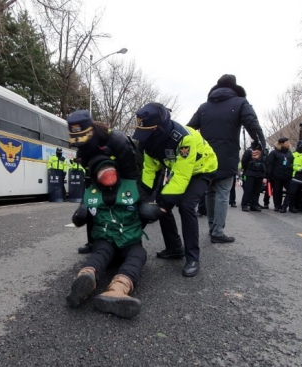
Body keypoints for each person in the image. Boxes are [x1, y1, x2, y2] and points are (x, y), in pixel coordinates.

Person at [132, 102, 218, 276]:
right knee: (160, 204)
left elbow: (182, 176)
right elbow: (149, 171)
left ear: (160, 127)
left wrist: (162, 205)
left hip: (201, 169)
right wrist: (144, 197)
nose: (144, 136)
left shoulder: (184, 138)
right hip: (177, 168)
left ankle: (192, 257)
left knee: (185, 205)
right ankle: (174, 248)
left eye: (148, 131)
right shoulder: (148, 141)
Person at [188, 74, 267, 243]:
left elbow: (189, 129)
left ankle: (211, 228)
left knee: (210, 191)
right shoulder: (240, 103)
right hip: (227, 155)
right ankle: (217, 232)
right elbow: (252, 124)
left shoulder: (203, 107)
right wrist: (261, 146)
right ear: (234, 87)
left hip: (205, 156)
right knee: (223, 193)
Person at [66, 155, 148, 318]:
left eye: (109, 168)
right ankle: (86, 279)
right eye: (102, 170)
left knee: (139, 254)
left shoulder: (133, 187)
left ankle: (118, 290)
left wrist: (149, 211)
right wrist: (79, 216)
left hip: (130, 241)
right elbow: (79, 221)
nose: (107, 172)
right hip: (105, 239)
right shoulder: (91, 193)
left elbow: (147, 208)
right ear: (96, 176)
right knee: (100, 252)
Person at [66, 110, 142, 254]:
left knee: (124, 206)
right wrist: (86, 200)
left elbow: (132, 173)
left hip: (124, 175)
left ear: (91, 131)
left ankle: (133, 241)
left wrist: (138, 197)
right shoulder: (81, 148)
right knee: (94, 205)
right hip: (99, 175)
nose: (81, 145)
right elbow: (88, 171)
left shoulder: (117, 140)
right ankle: (93, 242)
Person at [266, 137, 294, 212]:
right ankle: (277, 205)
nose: (289, 144)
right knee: (277, 191)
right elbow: (270, 164)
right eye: (287, 142)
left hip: (287, 175)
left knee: (291, 190)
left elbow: (291, 163)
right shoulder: (274, 153)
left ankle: (285, 205)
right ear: (282, 143)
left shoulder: (289, 153)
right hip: (276, 176)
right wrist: (268, 174)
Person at [240, 141, 267, 212]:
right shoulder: (249, 150)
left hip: (260, 173)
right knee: (248, 190)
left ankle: (254, 204)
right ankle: (245, 204)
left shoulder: (263, 152)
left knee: (257, 190)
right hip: (250, 173)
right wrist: (248, 168)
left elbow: (265, 162)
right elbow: (244, 161)